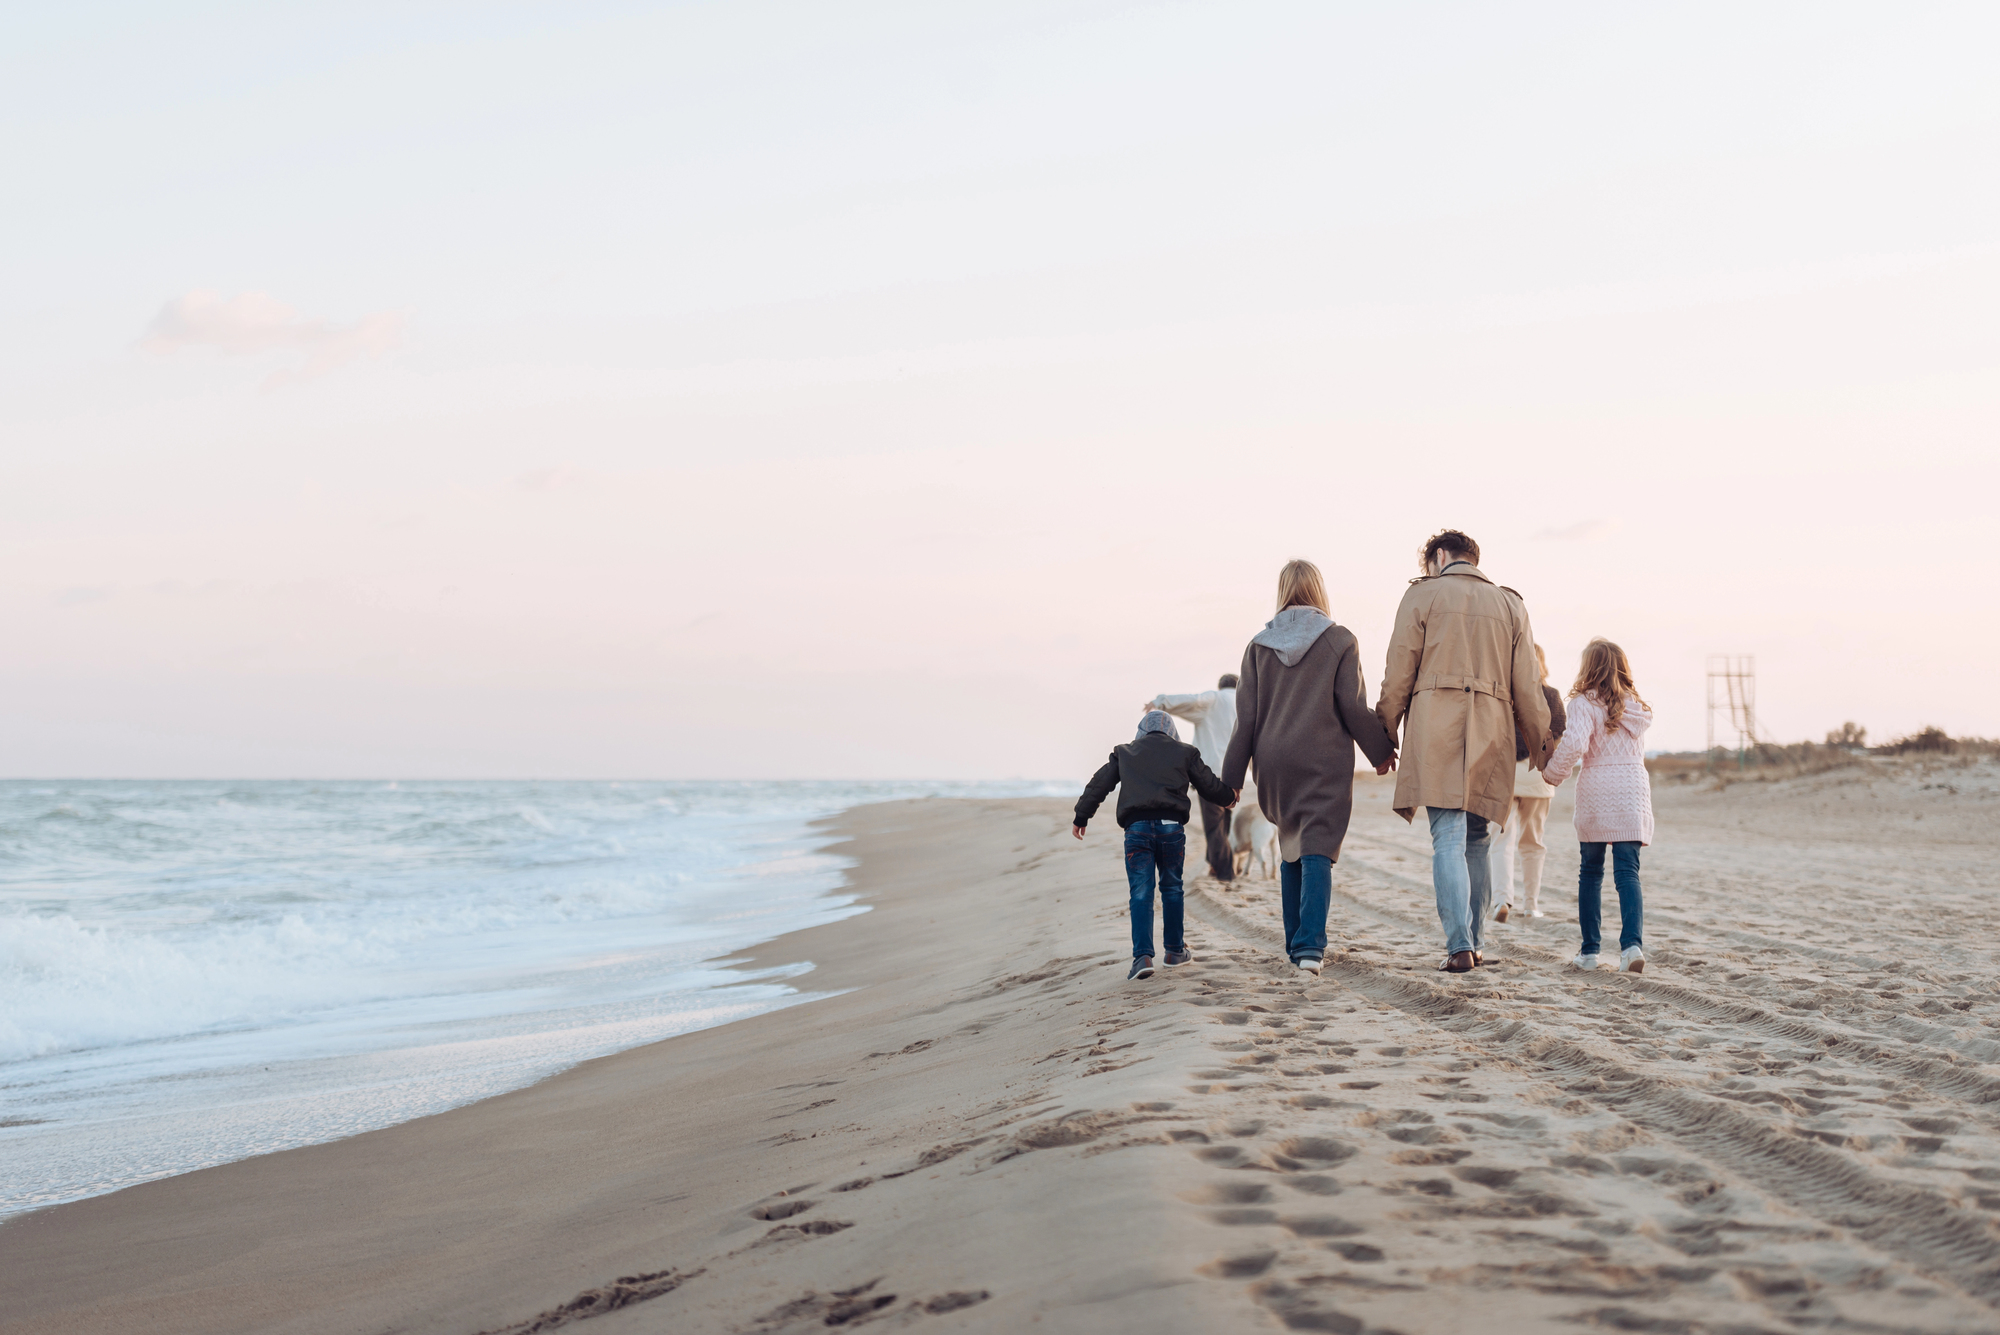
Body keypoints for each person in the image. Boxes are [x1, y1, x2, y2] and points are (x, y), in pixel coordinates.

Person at [1376, 530, 1553, 974]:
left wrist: (1384, 732)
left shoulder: (1423, 596)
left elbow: (1398, 671)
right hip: (1493, 729)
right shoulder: (1511, 604)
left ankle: (1457, 946)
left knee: (1448, 838)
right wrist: (1541, 747)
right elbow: (1528, 687)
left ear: (1439, 557)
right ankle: (1474, 942)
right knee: (1478, 838)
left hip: (1438, 725)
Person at [1220, 560, 1397, 977]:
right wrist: (1381, 751)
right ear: (1319, 591)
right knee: (1317, 844)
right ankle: (1310, 948)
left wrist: (1229, 782)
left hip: (1273, 761)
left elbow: (1245, 718)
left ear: (1282, 592)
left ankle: (1295, 943)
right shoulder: (1338, 640)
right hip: (1322, 758)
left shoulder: (1258, 646)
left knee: (1291, 842)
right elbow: (1352, 706)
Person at [1074, 710, 1236, 980]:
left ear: (1142, 730)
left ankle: (1142, 958)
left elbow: (1099, 784)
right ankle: (1174, 952)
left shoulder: (1125, 752)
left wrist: (1082, 815)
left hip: (1137, 830)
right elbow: (1208, 784)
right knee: (1172, 888)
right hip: (1171, 829)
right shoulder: (1185, 752)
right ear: (1171, 731)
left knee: (1141, 892)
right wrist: (1228, 797)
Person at [1541, 639, 1655, 973]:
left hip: (1598, 790)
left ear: (1588, 666)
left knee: (1590, 872)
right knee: (1627, 872)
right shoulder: (1635, 705)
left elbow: (1575, 743)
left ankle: (1590, 952)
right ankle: (1632, 947)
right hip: (1633, 790)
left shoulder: (1583, 703)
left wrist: (1552, 773)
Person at [1491, 644, 1567, 922]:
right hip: (1538, 776)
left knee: (1501, 839)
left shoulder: (1503, 695)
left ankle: (1501, 899)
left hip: (1506, 775)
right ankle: (1531, 906)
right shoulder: (1552, 696)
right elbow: (1556, 738)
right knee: (1533, 842)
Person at [1147, 675, 1239, 881]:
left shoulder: (1215, 700)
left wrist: (1160, 701)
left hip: (1211, 773)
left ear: (1220, 686)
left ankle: (1225, 873)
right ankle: (1215, 864)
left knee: (1214, 824)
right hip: (1235, 774)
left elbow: (1194, 700)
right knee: (1225, 819)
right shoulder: (1244, 702)